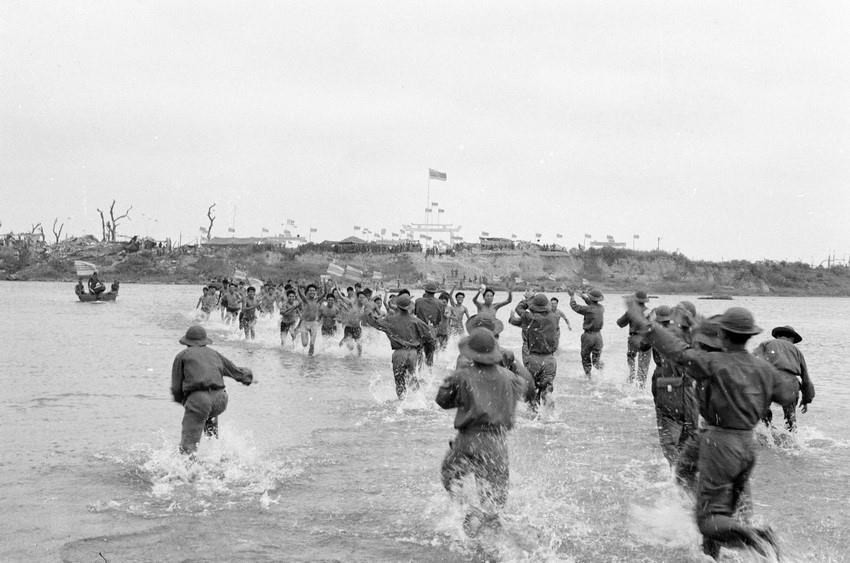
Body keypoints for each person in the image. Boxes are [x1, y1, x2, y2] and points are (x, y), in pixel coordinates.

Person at [625, 303, 794, 560]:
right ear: (749, 336)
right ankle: (714, 546)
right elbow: (787, 394)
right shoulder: (761, 367)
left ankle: (755, 535)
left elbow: (678, 352)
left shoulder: (713, 362)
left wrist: (650, 327)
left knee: (708, 520)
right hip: (746, 444)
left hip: (719, 442)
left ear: (724, 335)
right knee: (687, 474)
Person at [436, 328, 533, 537]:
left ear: (471, 353)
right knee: (495, 504)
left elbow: (442, 401)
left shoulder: (461, 376)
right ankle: (486, 534)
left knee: (450, 478)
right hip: (497, 443)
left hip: (468, 440)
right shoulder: (511, 379)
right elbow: (529, 386)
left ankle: (468, 510)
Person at [170, 325, 254, 454]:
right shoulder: (214, 354)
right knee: (210, 429)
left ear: (187, 342)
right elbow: (236, 372)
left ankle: (189, 472)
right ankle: (218, 457)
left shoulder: (182, 356)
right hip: (220, 399)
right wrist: (248, 379)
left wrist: (184, 402)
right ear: (204, 341)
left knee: (188, 446)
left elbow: (176, 388)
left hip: (199, 400)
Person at [363, 294, 435, 399]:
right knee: (412, 378)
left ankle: (401, 405)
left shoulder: (390, 320)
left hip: (399, 353)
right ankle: (419, 402)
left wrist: (368, 311)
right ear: (410, 306)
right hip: (413, 354)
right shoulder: (417, 321)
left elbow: (374, 323)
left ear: (397, 306)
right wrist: (428, 355)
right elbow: (430, 339)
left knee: (400, 382)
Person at [753, 325, 815, 432]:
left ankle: (768, 432)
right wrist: (806, 399)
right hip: (790, 384)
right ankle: (792, 440)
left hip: (769, 380)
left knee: (763, 412)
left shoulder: (766, 344)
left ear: (777, 336)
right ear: (792, 338)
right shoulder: (797, 351)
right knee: (790, 418)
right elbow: (806, 378)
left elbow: (753, 362)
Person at [512, 293, 560, 410]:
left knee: (532, 390)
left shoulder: (530, 318)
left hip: (534, 359)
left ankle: (534, 415)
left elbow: (519, 308)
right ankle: (550, 414)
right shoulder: (554, 317)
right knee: (547, 389)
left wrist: (527, 299)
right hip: (550, 360)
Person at [616, 290, 652, 387]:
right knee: (643, 366)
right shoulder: (649, 312)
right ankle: (641, 386)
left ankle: (630, 380)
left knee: (631, 363)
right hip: (646, 341)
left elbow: (620, 323)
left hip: (633, 340)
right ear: (645, 301)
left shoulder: (631, 311)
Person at [568, 288, 605, 378]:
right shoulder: (601, 308)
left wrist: (572, 296)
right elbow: (591, 303)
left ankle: (588, 377)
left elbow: (574, 306)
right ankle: (603, 373)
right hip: (599, 337)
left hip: (588, 336)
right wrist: (582, 296)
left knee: (585, 356)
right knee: (596, 361)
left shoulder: (588, 309)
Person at [414, 281, 444, 367]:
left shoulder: (418, 301)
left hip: (419, 331)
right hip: (432, 331)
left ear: (425, 291)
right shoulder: (440, 303)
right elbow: (439, 320)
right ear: (435, 292)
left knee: (419, 355)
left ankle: (419, 373)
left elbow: (416, 314)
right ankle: (429, 376)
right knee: (430, 356)